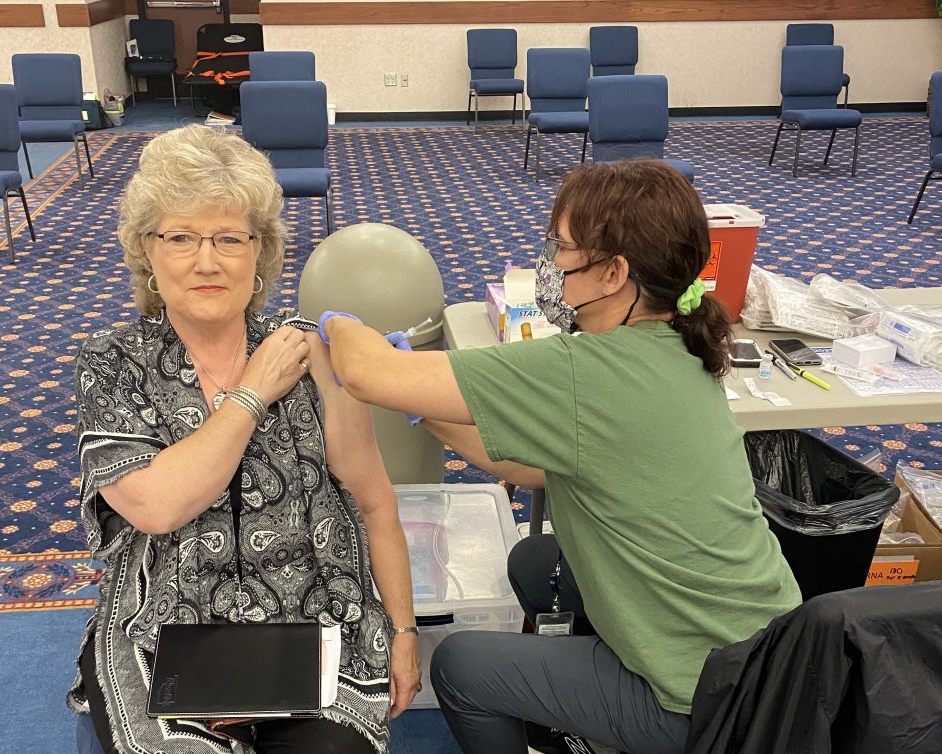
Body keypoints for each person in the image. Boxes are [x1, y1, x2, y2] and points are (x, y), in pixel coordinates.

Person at [319, 161, 802, 754]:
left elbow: (368, 374)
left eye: (565, 249)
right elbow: (537, 470)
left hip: (696, 704)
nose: (553, 264)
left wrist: (337, 322)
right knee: (535, 561)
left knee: (463, 667)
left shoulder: (582, 372)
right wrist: (433, 418)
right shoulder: (679, 341)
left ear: (614, 273)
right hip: (772, 661)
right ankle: (579, 724)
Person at [67, 125, 419, 754]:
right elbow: (157, 505)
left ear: (261, 252)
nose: (207, 261)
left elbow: (373, 501)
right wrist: (252, 393)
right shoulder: (112, 363)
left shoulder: (311, 352)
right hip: (163, 632)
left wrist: (404, 629)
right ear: (147, 251)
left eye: (230, 238)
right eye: (180, 237)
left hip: (312, 619)